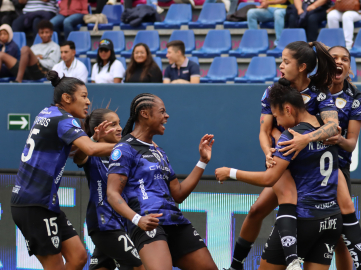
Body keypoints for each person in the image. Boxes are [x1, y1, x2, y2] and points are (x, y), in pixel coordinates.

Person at [226, 40, 339, 270]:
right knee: (257, 210)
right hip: (284, 159)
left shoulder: (319, 93)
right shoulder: (273, 91)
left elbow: (333, 127)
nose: (280, 66)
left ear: (302, 67)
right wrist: (268, 151)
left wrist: (305, 139)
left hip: (311, 168)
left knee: (338, 218)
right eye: (281, 61)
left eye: (286, 62)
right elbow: (264, 131)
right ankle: (236, 264)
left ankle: (291, 259)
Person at [11, 70, 116, 270]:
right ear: (67, 98)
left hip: (44, 203)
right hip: (34, 205)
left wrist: (92, 139)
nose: (88, 102)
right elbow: (90, 150)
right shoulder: (64, 120)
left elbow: (76, 148)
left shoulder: (47, 113)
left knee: (78, 257)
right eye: (84, 96)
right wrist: (131, 146)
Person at [106, 93, 217, 270]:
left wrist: (203, 161)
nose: (167, 116)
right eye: (162, 111)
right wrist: (137, 219)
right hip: (148, 222)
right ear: (145, 114)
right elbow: (112, 194)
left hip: (175, 221)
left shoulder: (159, 152)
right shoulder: (124, 149)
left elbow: (178, 194)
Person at [74, 108, 145, 270]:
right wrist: (91, 140)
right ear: (99, 129)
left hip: (121, 223)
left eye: (119, 123)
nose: (119, 128)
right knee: (139, 267)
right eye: (113, 124)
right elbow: (79, 157)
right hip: (105, 224)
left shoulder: (124, 153)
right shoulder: (92, 153)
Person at [325, 45, 361, 270]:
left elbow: (351, 144)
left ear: (350, 67)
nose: (339, 62)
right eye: (334, 58)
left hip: (337, 167)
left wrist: (338, 140)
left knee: (340, 237)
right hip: (303, 167)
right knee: (259, 210)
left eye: (344, 59)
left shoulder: (356, 98)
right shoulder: (312, 90)